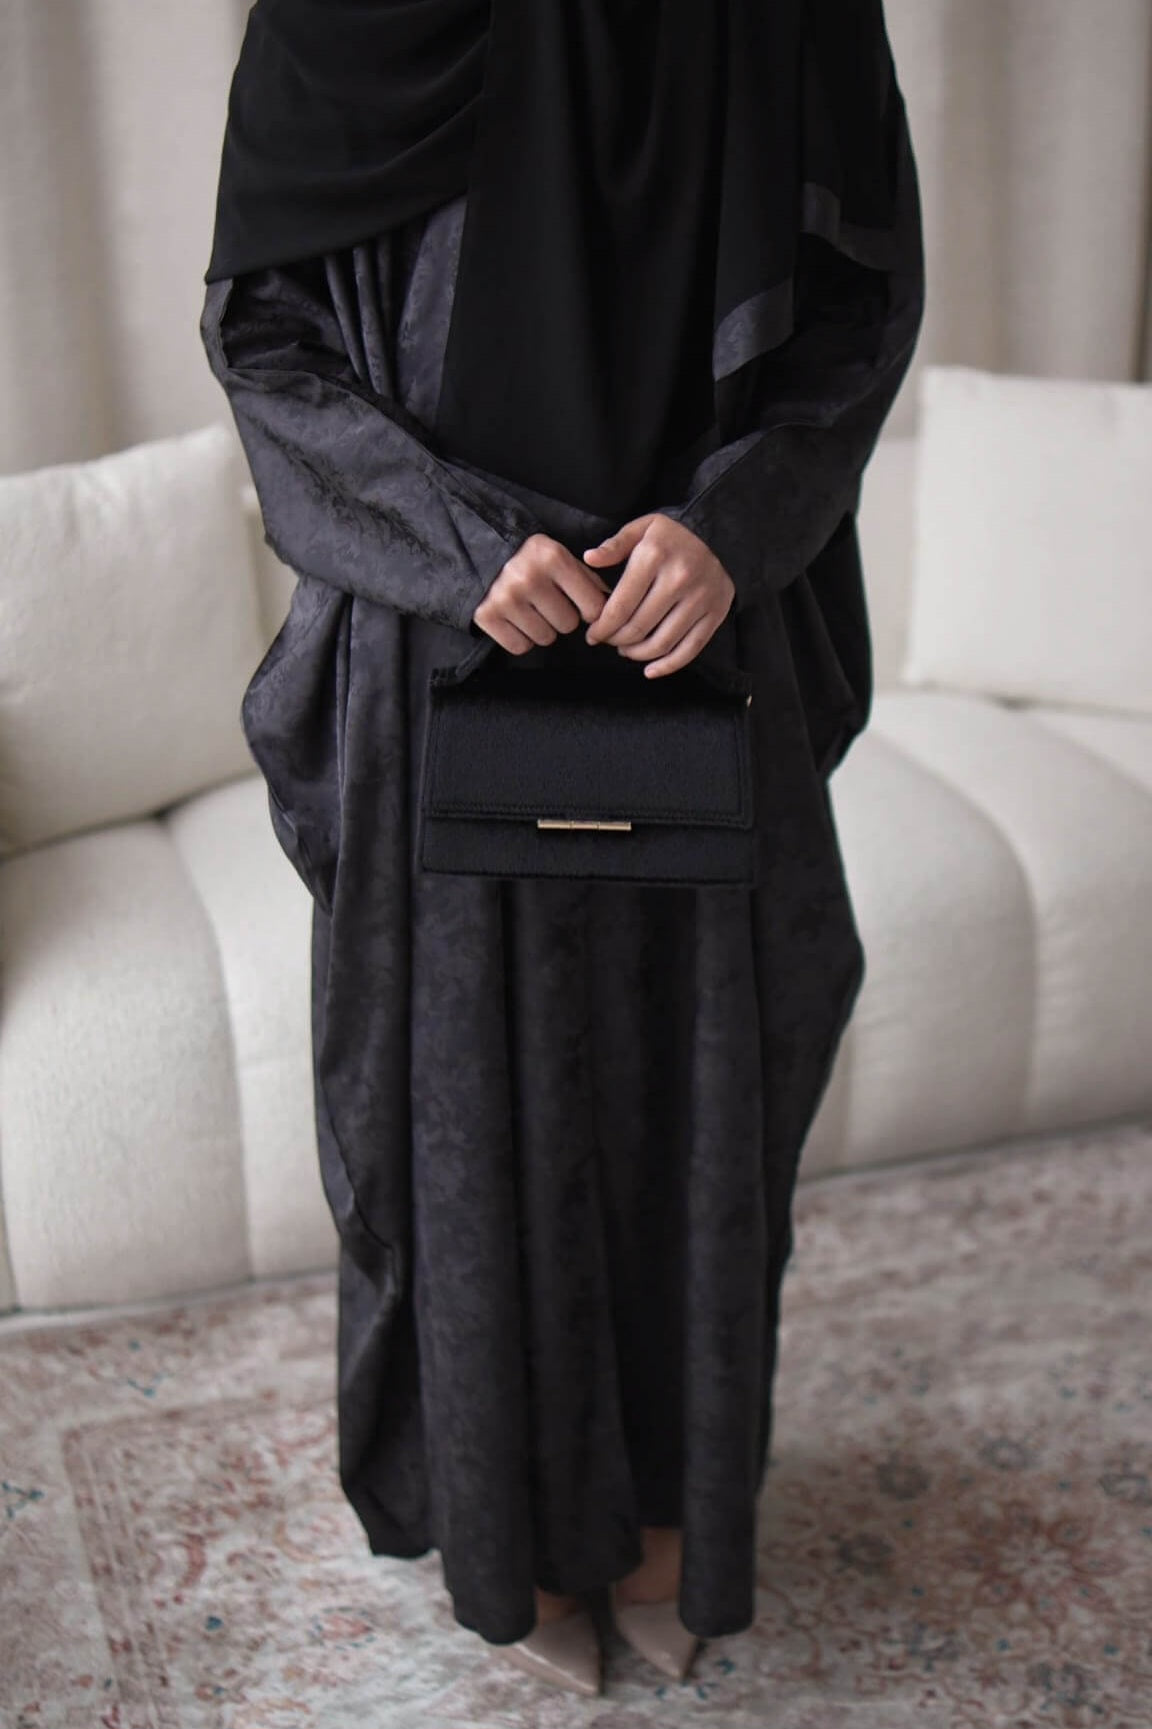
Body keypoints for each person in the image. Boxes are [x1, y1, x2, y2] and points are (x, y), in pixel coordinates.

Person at [199, 0, 925, 1699]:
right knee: (454, 1113)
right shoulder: (341, 20)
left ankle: (672, 1520)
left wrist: (734, 525)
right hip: (440, 653)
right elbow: (264, 335)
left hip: (704, 639)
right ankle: (510, 1533)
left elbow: (858, 301)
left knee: (707, 1103)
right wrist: (459, 545)